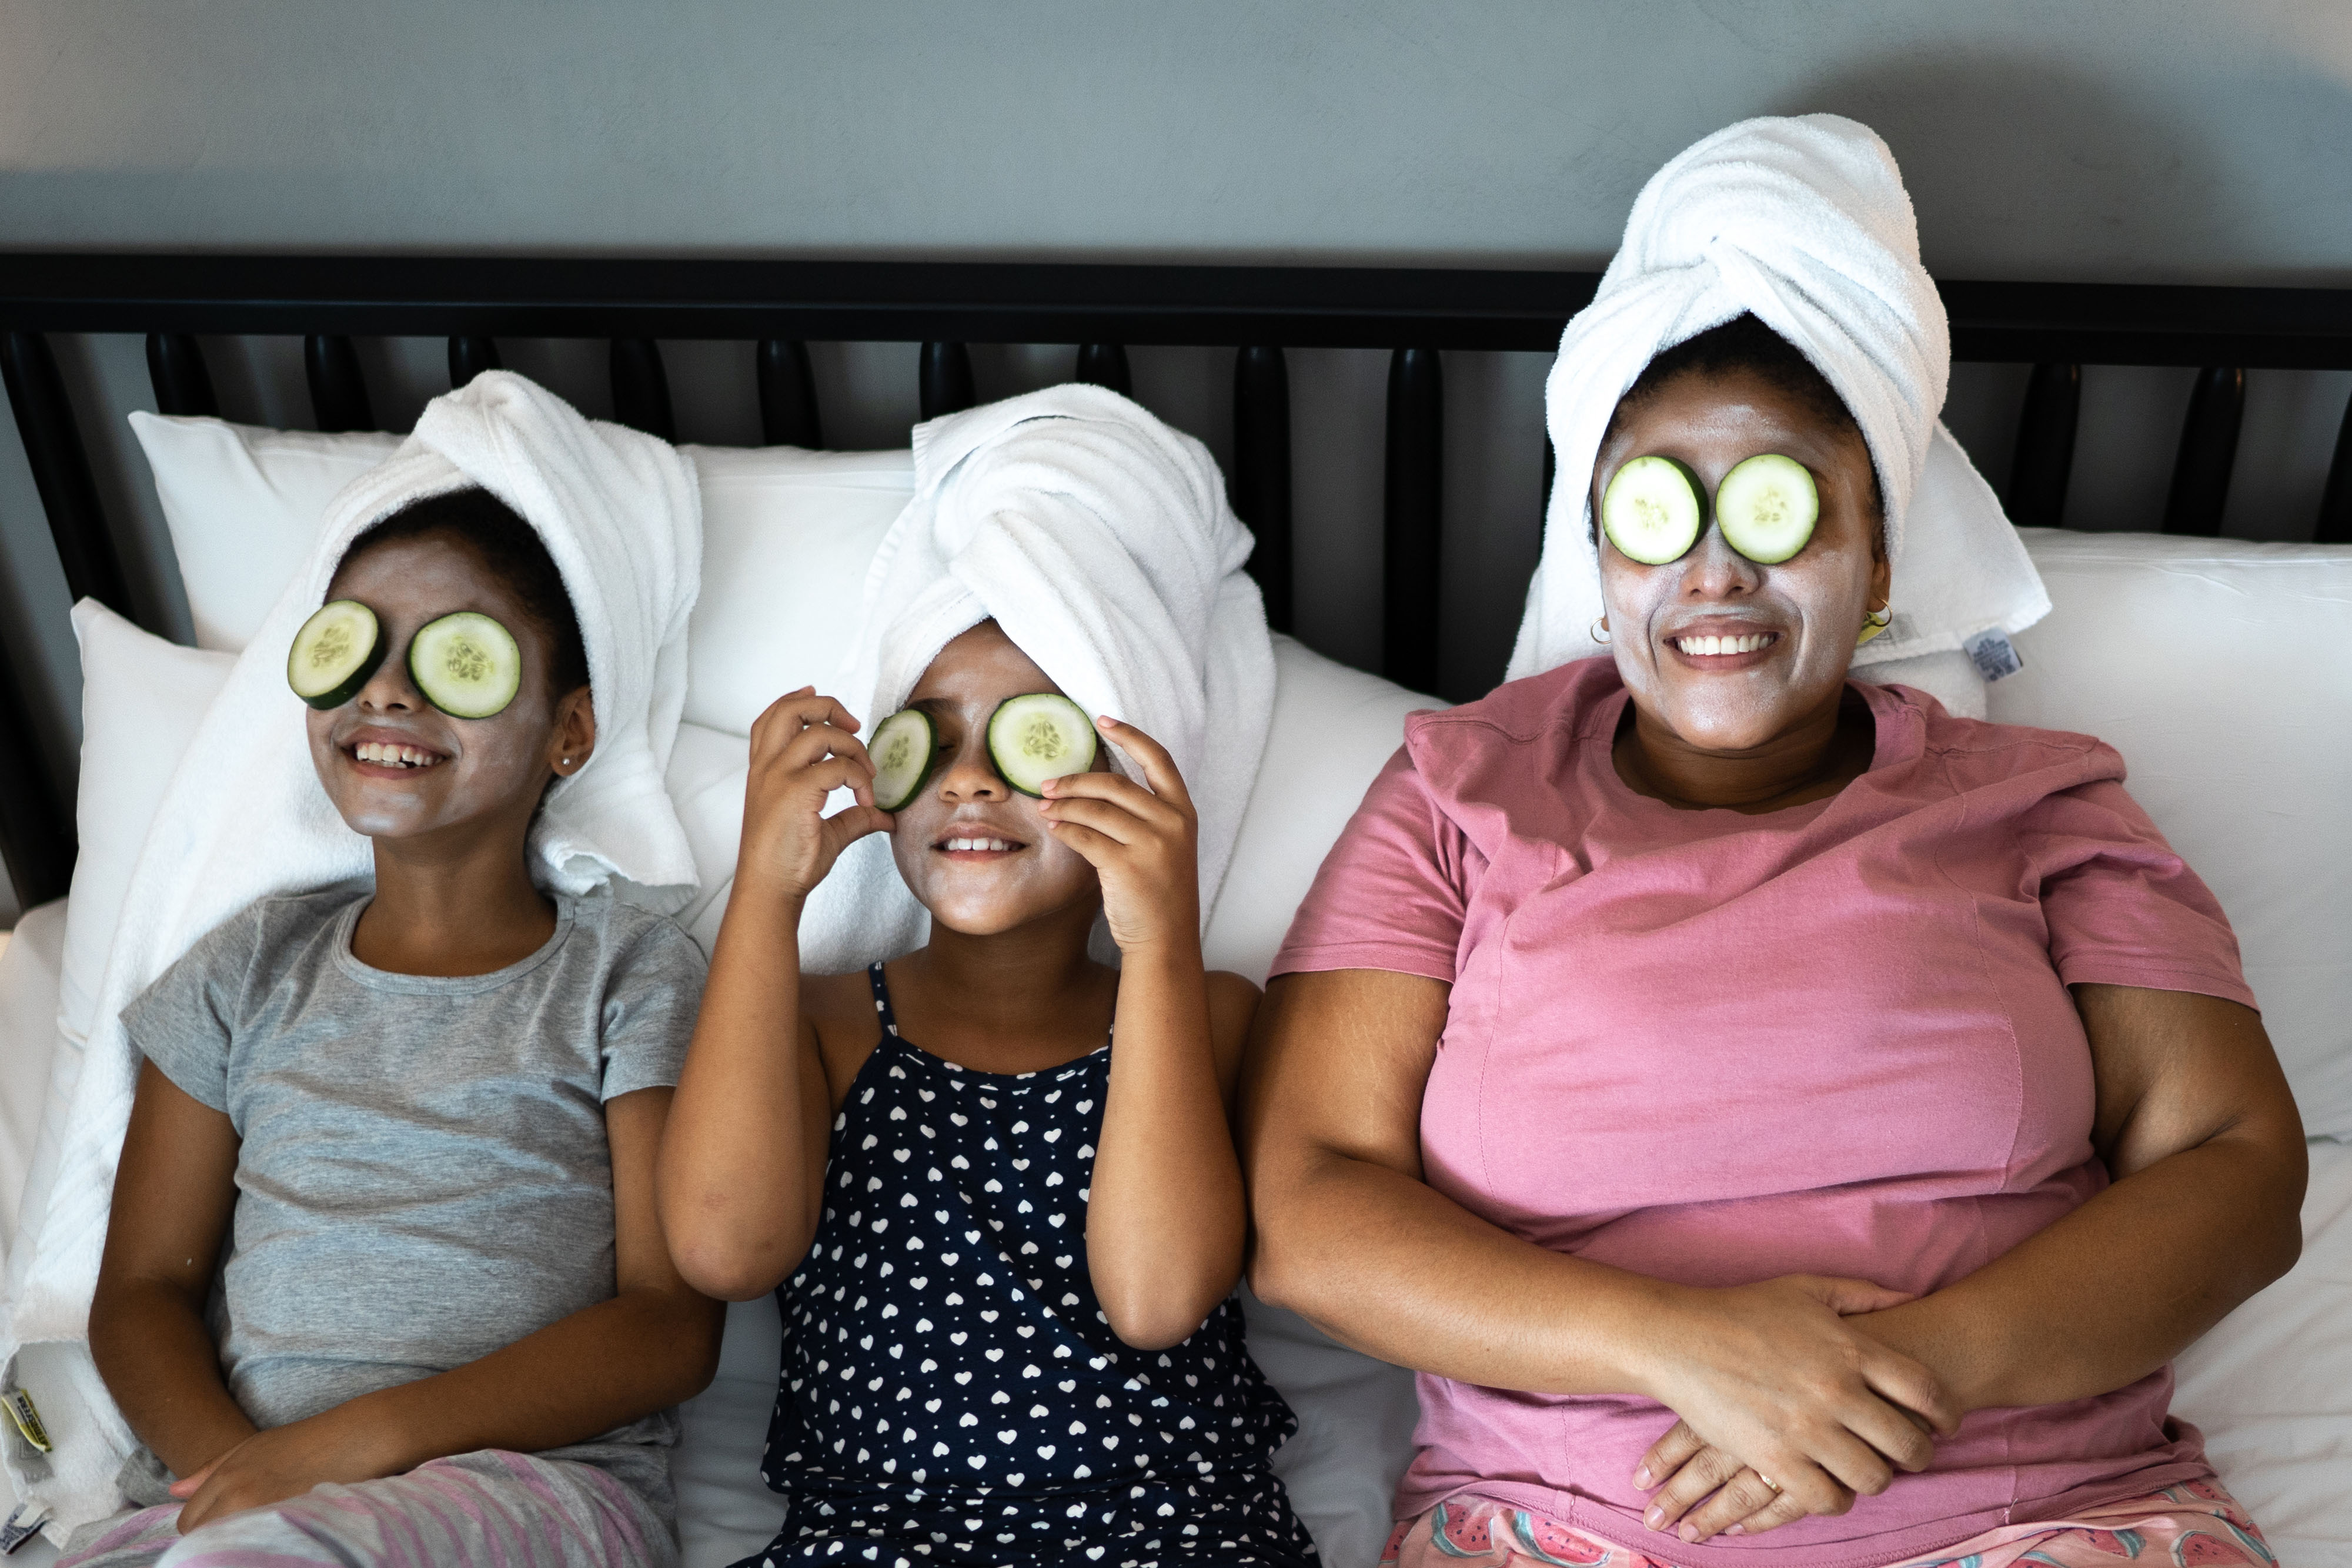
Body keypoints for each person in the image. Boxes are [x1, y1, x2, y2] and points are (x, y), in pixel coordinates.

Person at [1242, 117, 2305, 1568]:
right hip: (1567, 1524)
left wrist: (1905, 1372)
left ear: (1877, 560)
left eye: (1777, 504)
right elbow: (1306, 1208)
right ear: (1598, 557)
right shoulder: (1453, 795)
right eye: (1653, 509)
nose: (1712, 569)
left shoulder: (2038, 805)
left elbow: (2237, 1168)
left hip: (2032, 1512)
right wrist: (1683, 1346)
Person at [657, 387, 1315, 1568]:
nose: (966, 779)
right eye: (930, 735)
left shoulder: (1205, 1010)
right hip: (876, 1538)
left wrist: (1158, 934)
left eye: (1031, 736)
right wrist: (765, 893)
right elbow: (723, 1247)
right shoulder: (819, 1018)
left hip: (1169, 1532)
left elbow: (1157, 1297)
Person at [67, 482, 720, 1568]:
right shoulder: (248, 965)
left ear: (570, 731)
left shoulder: (629, 968)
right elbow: (141, 1294)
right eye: (353, 649)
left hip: (532, 1492)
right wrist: (243, 1481)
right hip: (222, 1493)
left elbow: (669, 1324)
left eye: (456, 660)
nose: (385, 691)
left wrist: (346, 1451)